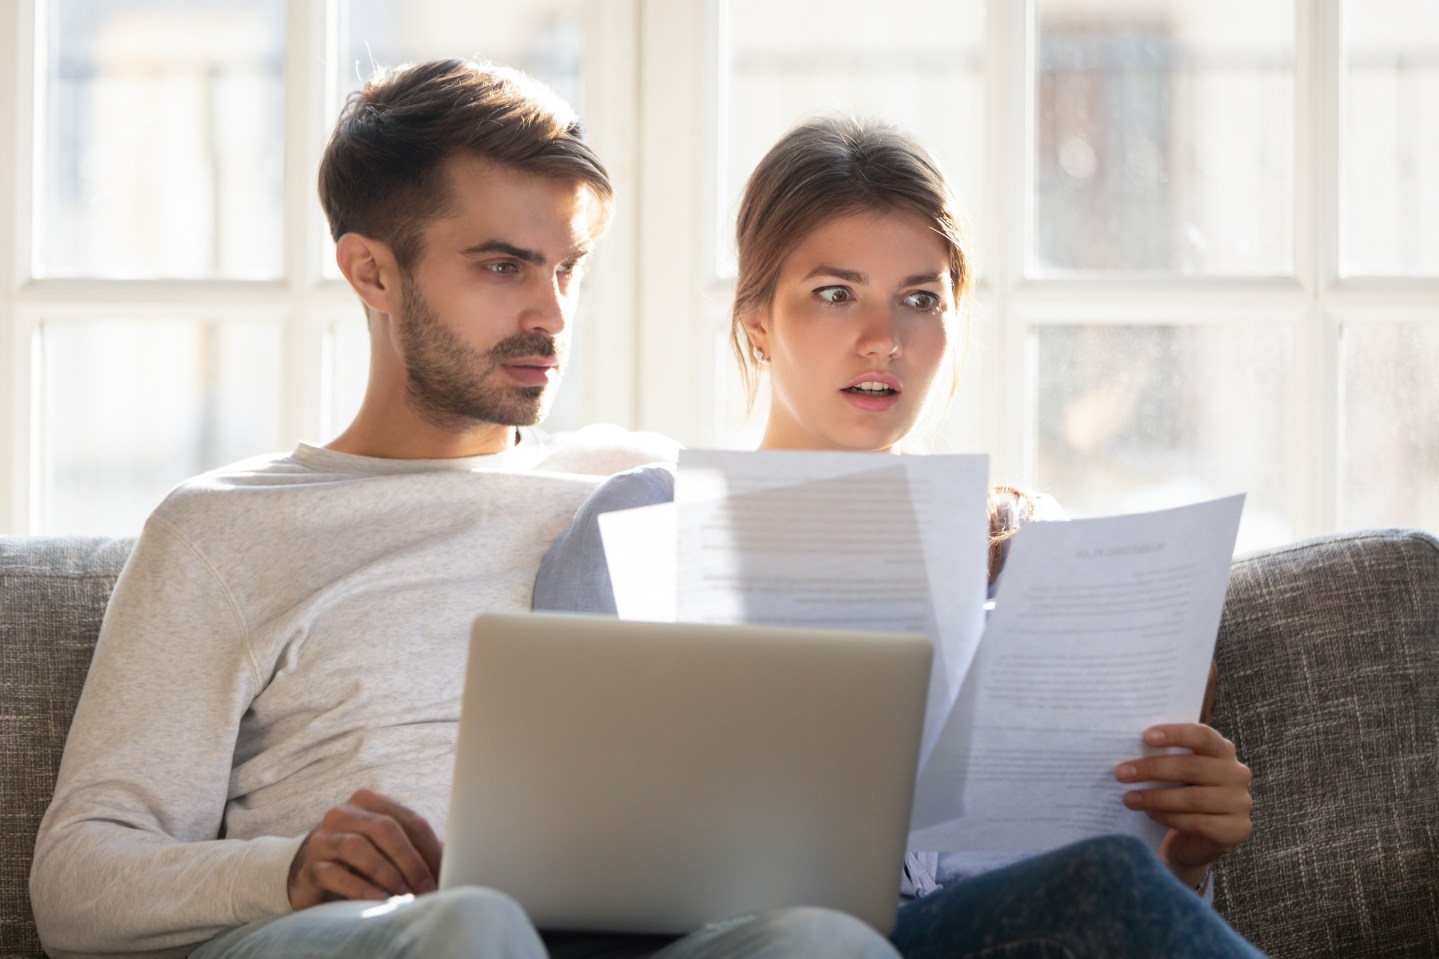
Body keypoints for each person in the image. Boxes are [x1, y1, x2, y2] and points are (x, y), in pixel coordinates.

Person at [29, 61, 903, 959]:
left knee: (823, 940)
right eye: (502, 266)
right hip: (355, 933)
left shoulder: (644, 487)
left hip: (623, 935)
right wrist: (290, 867)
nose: (552, 314)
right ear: (371, 271)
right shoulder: (224, 529)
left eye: (569, 269)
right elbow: (76, 881)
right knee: (475, 924)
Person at [534, 115, 1263, 958]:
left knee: (1103, 879)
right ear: (757, 321)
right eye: (835, 293)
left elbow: (1106, 896)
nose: (884, 337)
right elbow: (560, 849)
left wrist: (1187, 852)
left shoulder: (1028, 544)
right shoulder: (645, 522)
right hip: (754, 941)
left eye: (921, 299)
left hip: (1006, 934)